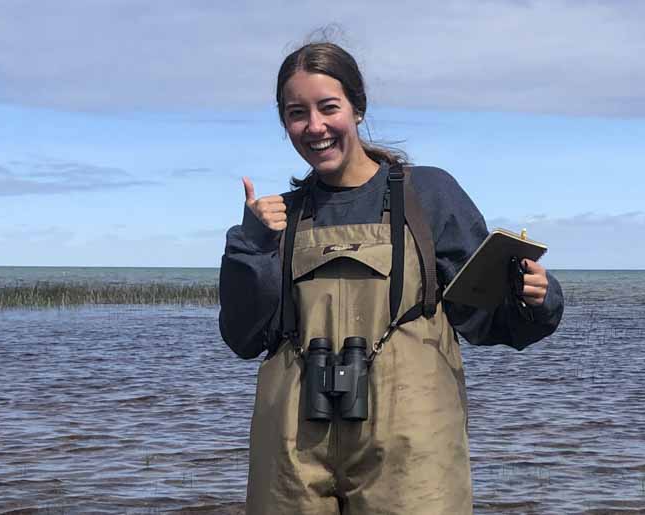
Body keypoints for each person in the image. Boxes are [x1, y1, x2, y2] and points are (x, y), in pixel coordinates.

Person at [219, 39, 565, 513]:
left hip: (411, 448)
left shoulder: (429, 195)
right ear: (284, 123)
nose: (314, 126)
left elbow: (484, 318)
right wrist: (251, 245)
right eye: (297, 113)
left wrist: (536, 298)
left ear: (357, 109)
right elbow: (243, 336)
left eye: (328, 107)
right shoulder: (278, 218)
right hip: (293, 451)